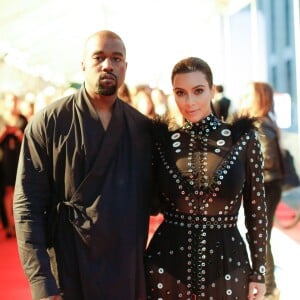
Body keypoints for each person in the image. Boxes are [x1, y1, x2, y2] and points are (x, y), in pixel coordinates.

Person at [13, 30, 154, 300]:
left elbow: (161, 199)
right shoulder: (48, 123)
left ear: (125, 67)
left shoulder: (142, 129)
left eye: (116, 58)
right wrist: (41, 281)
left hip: (126, 268)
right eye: (98, 57)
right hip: (69, 267)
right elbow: (27, 205)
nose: (108, 65)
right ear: (83, 65)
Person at [145, 57, 267, 299]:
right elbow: (146, 205)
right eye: (181, 93)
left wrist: (259, 273)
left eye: (198, 91)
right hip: (165, 267)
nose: (189, 102)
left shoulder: (243, 140)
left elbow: (257, 211)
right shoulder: (161, 143)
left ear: (212, 90)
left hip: (228, 267)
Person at [239, 82, 284, 300]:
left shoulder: (260, 126)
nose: (243, 100)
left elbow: (264, 162)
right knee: (263, 237)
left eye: (248, 96)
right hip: (270, 185)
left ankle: (270, 285)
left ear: (258, 99)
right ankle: (270, 284)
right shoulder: (268, 122)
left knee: (261, 237)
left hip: (266, 186)